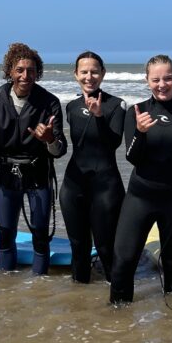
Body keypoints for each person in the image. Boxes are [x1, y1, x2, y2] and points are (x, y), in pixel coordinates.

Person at [0, 42, 66, 275]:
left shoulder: (49, 102)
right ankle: (5, 288)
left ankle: (40, 288)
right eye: (20, 70)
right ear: (9, 72)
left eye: (31, 70)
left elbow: (59, 150)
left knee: (40, 235)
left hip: (38, 175)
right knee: (5, 234)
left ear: (38, 73)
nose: (26, 75)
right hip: (7, 175)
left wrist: (48, 140)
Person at [109, 55, 172, 304]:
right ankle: (118, 321)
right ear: (147, 81)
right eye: (156, 79)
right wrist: (141, 133)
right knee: (123, 260)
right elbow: (132, 158)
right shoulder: (137, 112)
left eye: (167, 78)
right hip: (140, 198)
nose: (162, 84)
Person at [59, 51, 126, 283]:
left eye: (94, 71)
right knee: (78, 248)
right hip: (73, 185)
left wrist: (99, 116)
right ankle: (82, 309)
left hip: (106, 187)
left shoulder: (117, 105)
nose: (89, 76)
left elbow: (114, 142)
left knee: (106, 247)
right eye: (84, 72)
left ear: (103, 73)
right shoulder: (71, 107)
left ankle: (117, 306)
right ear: (76, 74)